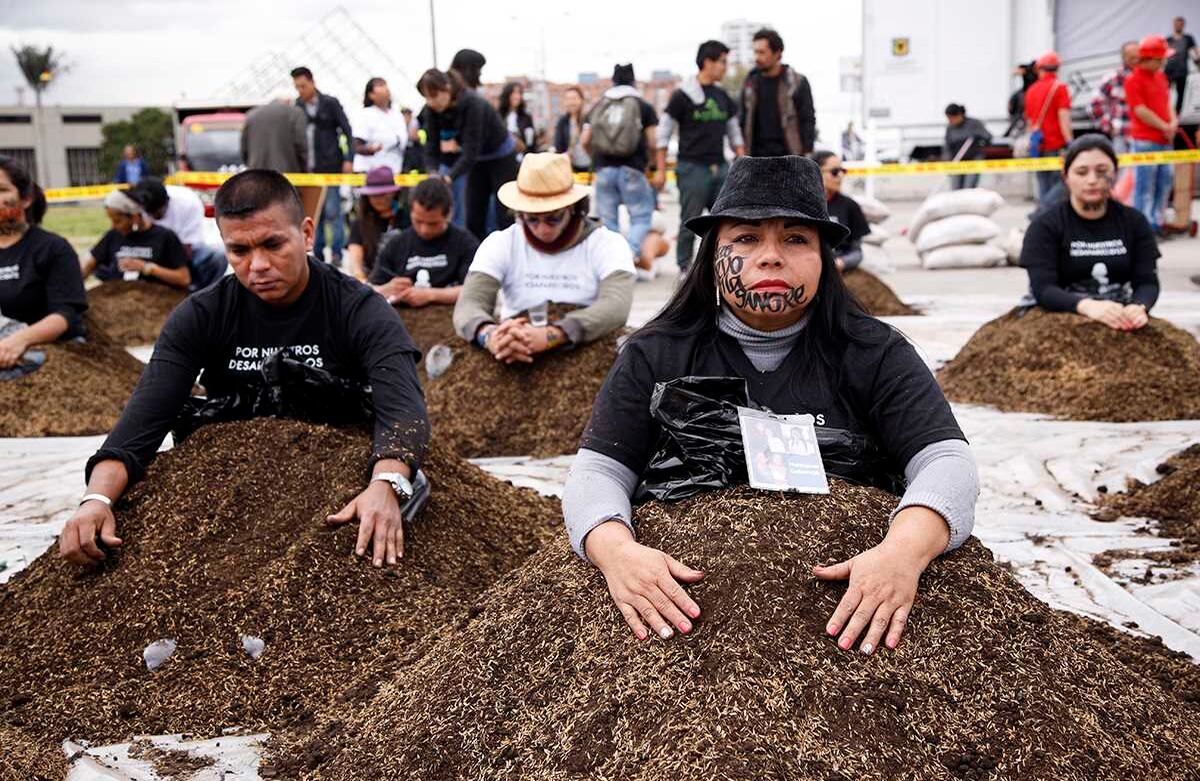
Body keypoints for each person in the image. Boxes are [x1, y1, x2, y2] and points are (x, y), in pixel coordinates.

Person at [562, 155, 978, 652]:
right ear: (713, 254)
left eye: (796, 239)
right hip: (683, 622)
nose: (771, 256)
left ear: (825, 256)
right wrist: (617, 552)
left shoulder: (875, 352)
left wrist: (903, 552)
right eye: (746, 238)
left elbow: (947, 462)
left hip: (856, 610)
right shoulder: (656, 353)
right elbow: (598, 473)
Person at [58, 169, 430, 569]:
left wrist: (387, 483)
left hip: (340, 478)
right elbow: (143, 421)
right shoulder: (200, 315)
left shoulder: (359, 309)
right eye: (239, 251)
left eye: (273, 244)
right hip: (226, 491)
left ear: (306, 234)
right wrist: (95, 501)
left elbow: (402, 409)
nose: (258, 266)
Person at [453, 152, 635, 364]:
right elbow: (469, 304)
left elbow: (616, 306)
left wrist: (555, 334)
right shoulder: (501, 242)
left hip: (585, 345)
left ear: (573, 209)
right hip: (513, 345)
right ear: (519, 214)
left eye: (553, 218)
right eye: (531, 219)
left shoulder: (607, 243)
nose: (542, 229)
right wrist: (490, 335)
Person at [1020, 135, 1159, 331]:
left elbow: (1147, 281)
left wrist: (1138, 306)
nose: (1092, 180)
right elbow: (1043, 289)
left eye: (1102, 171)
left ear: (1115, 173)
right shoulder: (1045, 225)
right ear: (1066, 176)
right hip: (1058, 314)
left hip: (1120, 311)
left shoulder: (1134, 221)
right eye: (1081, 172)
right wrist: (1087, 306)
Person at [656, 40, 746, 273]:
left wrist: (742, 158)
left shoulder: (723, 96)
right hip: (692, 167)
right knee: (690, 219)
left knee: (726, 220)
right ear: (708, 62)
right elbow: (663, 133)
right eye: (722, 62)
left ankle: (724, 267)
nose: (725, 68)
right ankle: (684, 268)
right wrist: (660, 168)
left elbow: (733, 130)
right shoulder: (683, 95)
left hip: (720, 166)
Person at [0, 156, 87, 368]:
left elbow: (65, 315)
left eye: (2, 190)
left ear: (26, 198)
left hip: (45, 350)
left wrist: (18, 341)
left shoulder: (53, 248)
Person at [417, 68, 519, 242]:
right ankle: (475, 260)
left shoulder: (473, 104)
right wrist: (433, 172)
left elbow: (471, 149)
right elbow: (431, 146)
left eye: (434, 96)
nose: (430, 102)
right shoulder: (430, 110)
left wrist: (449, 177)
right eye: (426, 97)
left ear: (447, 88)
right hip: (477, 159)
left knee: (505, 212)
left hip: (500, 155)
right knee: (473, 216)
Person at [582, 64, 659, 269]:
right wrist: (650, 165)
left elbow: (584, 140)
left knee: (608, 222)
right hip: (633, 168)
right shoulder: (643, 106)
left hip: (604, 169)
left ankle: (614, 261)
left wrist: (597, 159)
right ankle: (629, 254)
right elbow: (653, 142)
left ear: (612, 81)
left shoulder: (599, 106)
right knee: (641, 217)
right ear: (633, 81)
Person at [370, 177, 478, 308]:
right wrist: (386, 289)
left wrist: (431, 295)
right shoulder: (396, 244)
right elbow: (370, 288)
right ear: (411, 212)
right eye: (418, 221)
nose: (424, 230)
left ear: (448, 214)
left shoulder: (465, 243)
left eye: (433, 224)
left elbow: (475, 290)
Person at [292, 66, 355, 267]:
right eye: (297, 87)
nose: (300, 90)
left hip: (330, 168)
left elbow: (347, 131)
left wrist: (348, 158)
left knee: (333, 212)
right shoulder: (297, 107)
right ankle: (317, 254)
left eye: (303, 85)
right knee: (312, 215)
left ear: (312, 82)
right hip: (308, 172)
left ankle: (336, 253)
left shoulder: (330, 104)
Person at [126, 177, 228, 290]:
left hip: (185, 253)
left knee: (220, 255)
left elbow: (187, 249)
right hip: (152, 254)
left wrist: (173, 274)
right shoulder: (138, 204)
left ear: (167, 201)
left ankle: (203, 292)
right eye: (150, 213)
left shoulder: (188, 202)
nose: (154, 217)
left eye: (158, 213)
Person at [80, 190, 191, 290]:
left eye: (118, 221)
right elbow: (89, 265)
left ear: (135, 217)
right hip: (118, 298)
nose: (113, 226)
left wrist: (147, 268)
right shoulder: (113, 236)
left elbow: (184, 279)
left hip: (157, 300)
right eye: (112, 221)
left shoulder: (165, 237)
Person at [1125, 36, 1178, 235]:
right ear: (1151, 58)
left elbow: (1167, 102)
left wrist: (1172, 122)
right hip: (1145, 140)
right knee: (1144, 186)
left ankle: (1156, 222)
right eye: (1161, 58)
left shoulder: (1160, 77)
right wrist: (1164, 125)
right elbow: (1139, 110)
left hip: (1164, 139)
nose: (1164, 61)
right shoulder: (1133, 80)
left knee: (1164, 183)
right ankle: (1142, 226)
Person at [738, 28, 817, 157]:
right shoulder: (750, 82)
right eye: (755, 52)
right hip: (756, 158)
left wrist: (806, 152)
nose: (757, 57)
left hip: (790, 157)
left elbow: (807, 119)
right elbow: (742, 118)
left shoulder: (797, 82)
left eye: (762, 52)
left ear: (777, 53)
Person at [1023, 52, 1073, 202]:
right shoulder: (1060, 88)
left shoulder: (1031, 90)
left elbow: (1029, 121)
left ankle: (1042, 213)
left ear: (1039, 69)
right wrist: (1070, 142)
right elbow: (1064, 117)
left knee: (1042, 183)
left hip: (1037, 144)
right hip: (1055, 144)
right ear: (1057, 69)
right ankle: (1043, 211)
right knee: (1060, 183)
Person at [345, 166, 407, 281]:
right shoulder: (359, 223)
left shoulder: (407, 219)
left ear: (393, 193)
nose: (378, 199)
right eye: (374, 195)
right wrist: (362, 281)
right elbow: (355, 263)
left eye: (383, 194)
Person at [813, 151, 869, 272]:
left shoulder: (850, 206)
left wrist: (841, 263)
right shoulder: (803, 205)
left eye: (842, 171)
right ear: (816, 173)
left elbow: (857, 252)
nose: (840, 176)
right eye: (834, 172)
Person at [1090, 42, 1140, 153]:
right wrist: (1107, 125)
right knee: (1121, 168)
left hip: (1143, 136)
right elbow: (1095, 103)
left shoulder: (1147, 77)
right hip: (1121, 134)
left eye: (1138, 57)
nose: (1136, 60)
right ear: (1123, 57)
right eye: (1132, 57)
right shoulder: (1113, 78)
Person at [352, 77, 409, 174]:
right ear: (371, 94)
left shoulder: (397, 115)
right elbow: (357, 145)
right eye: (380, 85)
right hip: (369, 171)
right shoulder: (365, 114)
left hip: (394, 170)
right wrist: (370, 149)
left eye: (385, 84)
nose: (385, 88)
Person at [240, 95, 308, 174]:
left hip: (256, 175)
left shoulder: (251, 114)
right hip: (286, 175)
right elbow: (301, 144)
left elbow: (244, 149)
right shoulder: (296, 113)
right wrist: (304, 169)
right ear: (289, 102)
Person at [943, 104, 992, 190]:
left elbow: (988, 138)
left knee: (969, 188)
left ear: (959, 115)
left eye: (951, 118)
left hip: (973, 160)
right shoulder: (950, 128)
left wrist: (979, 138)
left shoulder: (974, 124)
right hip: (957, 161)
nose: (950, 121)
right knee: (956, 188)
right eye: (948, 118)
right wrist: (948, 162)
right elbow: (947, 147)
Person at [554, 86, 592, 173]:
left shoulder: (589, 118)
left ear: (582, 100)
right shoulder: (562, 122)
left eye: (574, 98)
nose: (571, 102)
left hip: (591, 167)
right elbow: (558, 147)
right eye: (568, 99)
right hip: (571, 168)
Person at [1166, 16, 1200, 114]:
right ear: (1174, 25)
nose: (1178, 26)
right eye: (1177, 24)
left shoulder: (1188, 38)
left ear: (1183, 25)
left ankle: (1177, 114)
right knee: (1164, 93)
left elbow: (1195, 52)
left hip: (1182, 71)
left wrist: (1197, 60)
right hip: (1168, 71)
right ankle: (1165, 112)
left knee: (1181, 94)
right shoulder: (1168, 40)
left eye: (1180, 24)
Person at [499, 82, 536, 156]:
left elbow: (532, 144)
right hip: (504, 159)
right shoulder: (499, 116)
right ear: (507, 95)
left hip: (523, 159)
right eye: (514, 93)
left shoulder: (526, 117)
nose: (517, 96)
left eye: (519, 93)